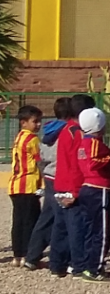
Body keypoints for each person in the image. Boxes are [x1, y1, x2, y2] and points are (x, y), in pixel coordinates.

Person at [57, 106, 110, 282]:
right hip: (99, 188)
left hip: (88, 188)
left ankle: (90, 264)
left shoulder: (83, 142)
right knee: (101, 231)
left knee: (91, 230)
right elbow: (93, 162)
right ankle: (95, 268)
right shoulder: (94, 143)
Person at [23, 99, 70, 273]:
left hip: (49, 175)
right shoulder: (68, 130)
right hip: (61, 176)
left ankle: (32, 257)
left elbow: (41, 156)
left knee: (46, 218)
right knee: (62, 220)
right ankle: (61, 260)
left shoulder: (49, 130)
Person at [9, 105, 43, 267]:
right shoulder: (32, 139)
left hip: (15, 185)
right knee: (31, 220)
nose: (38, 125)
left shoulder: (19, 137)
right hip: (28, 184)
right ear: (23, 122)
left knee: (18, 221)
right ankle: (28, 253)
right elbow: (39, 160)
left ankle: (17, 254)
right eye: (35, 121)